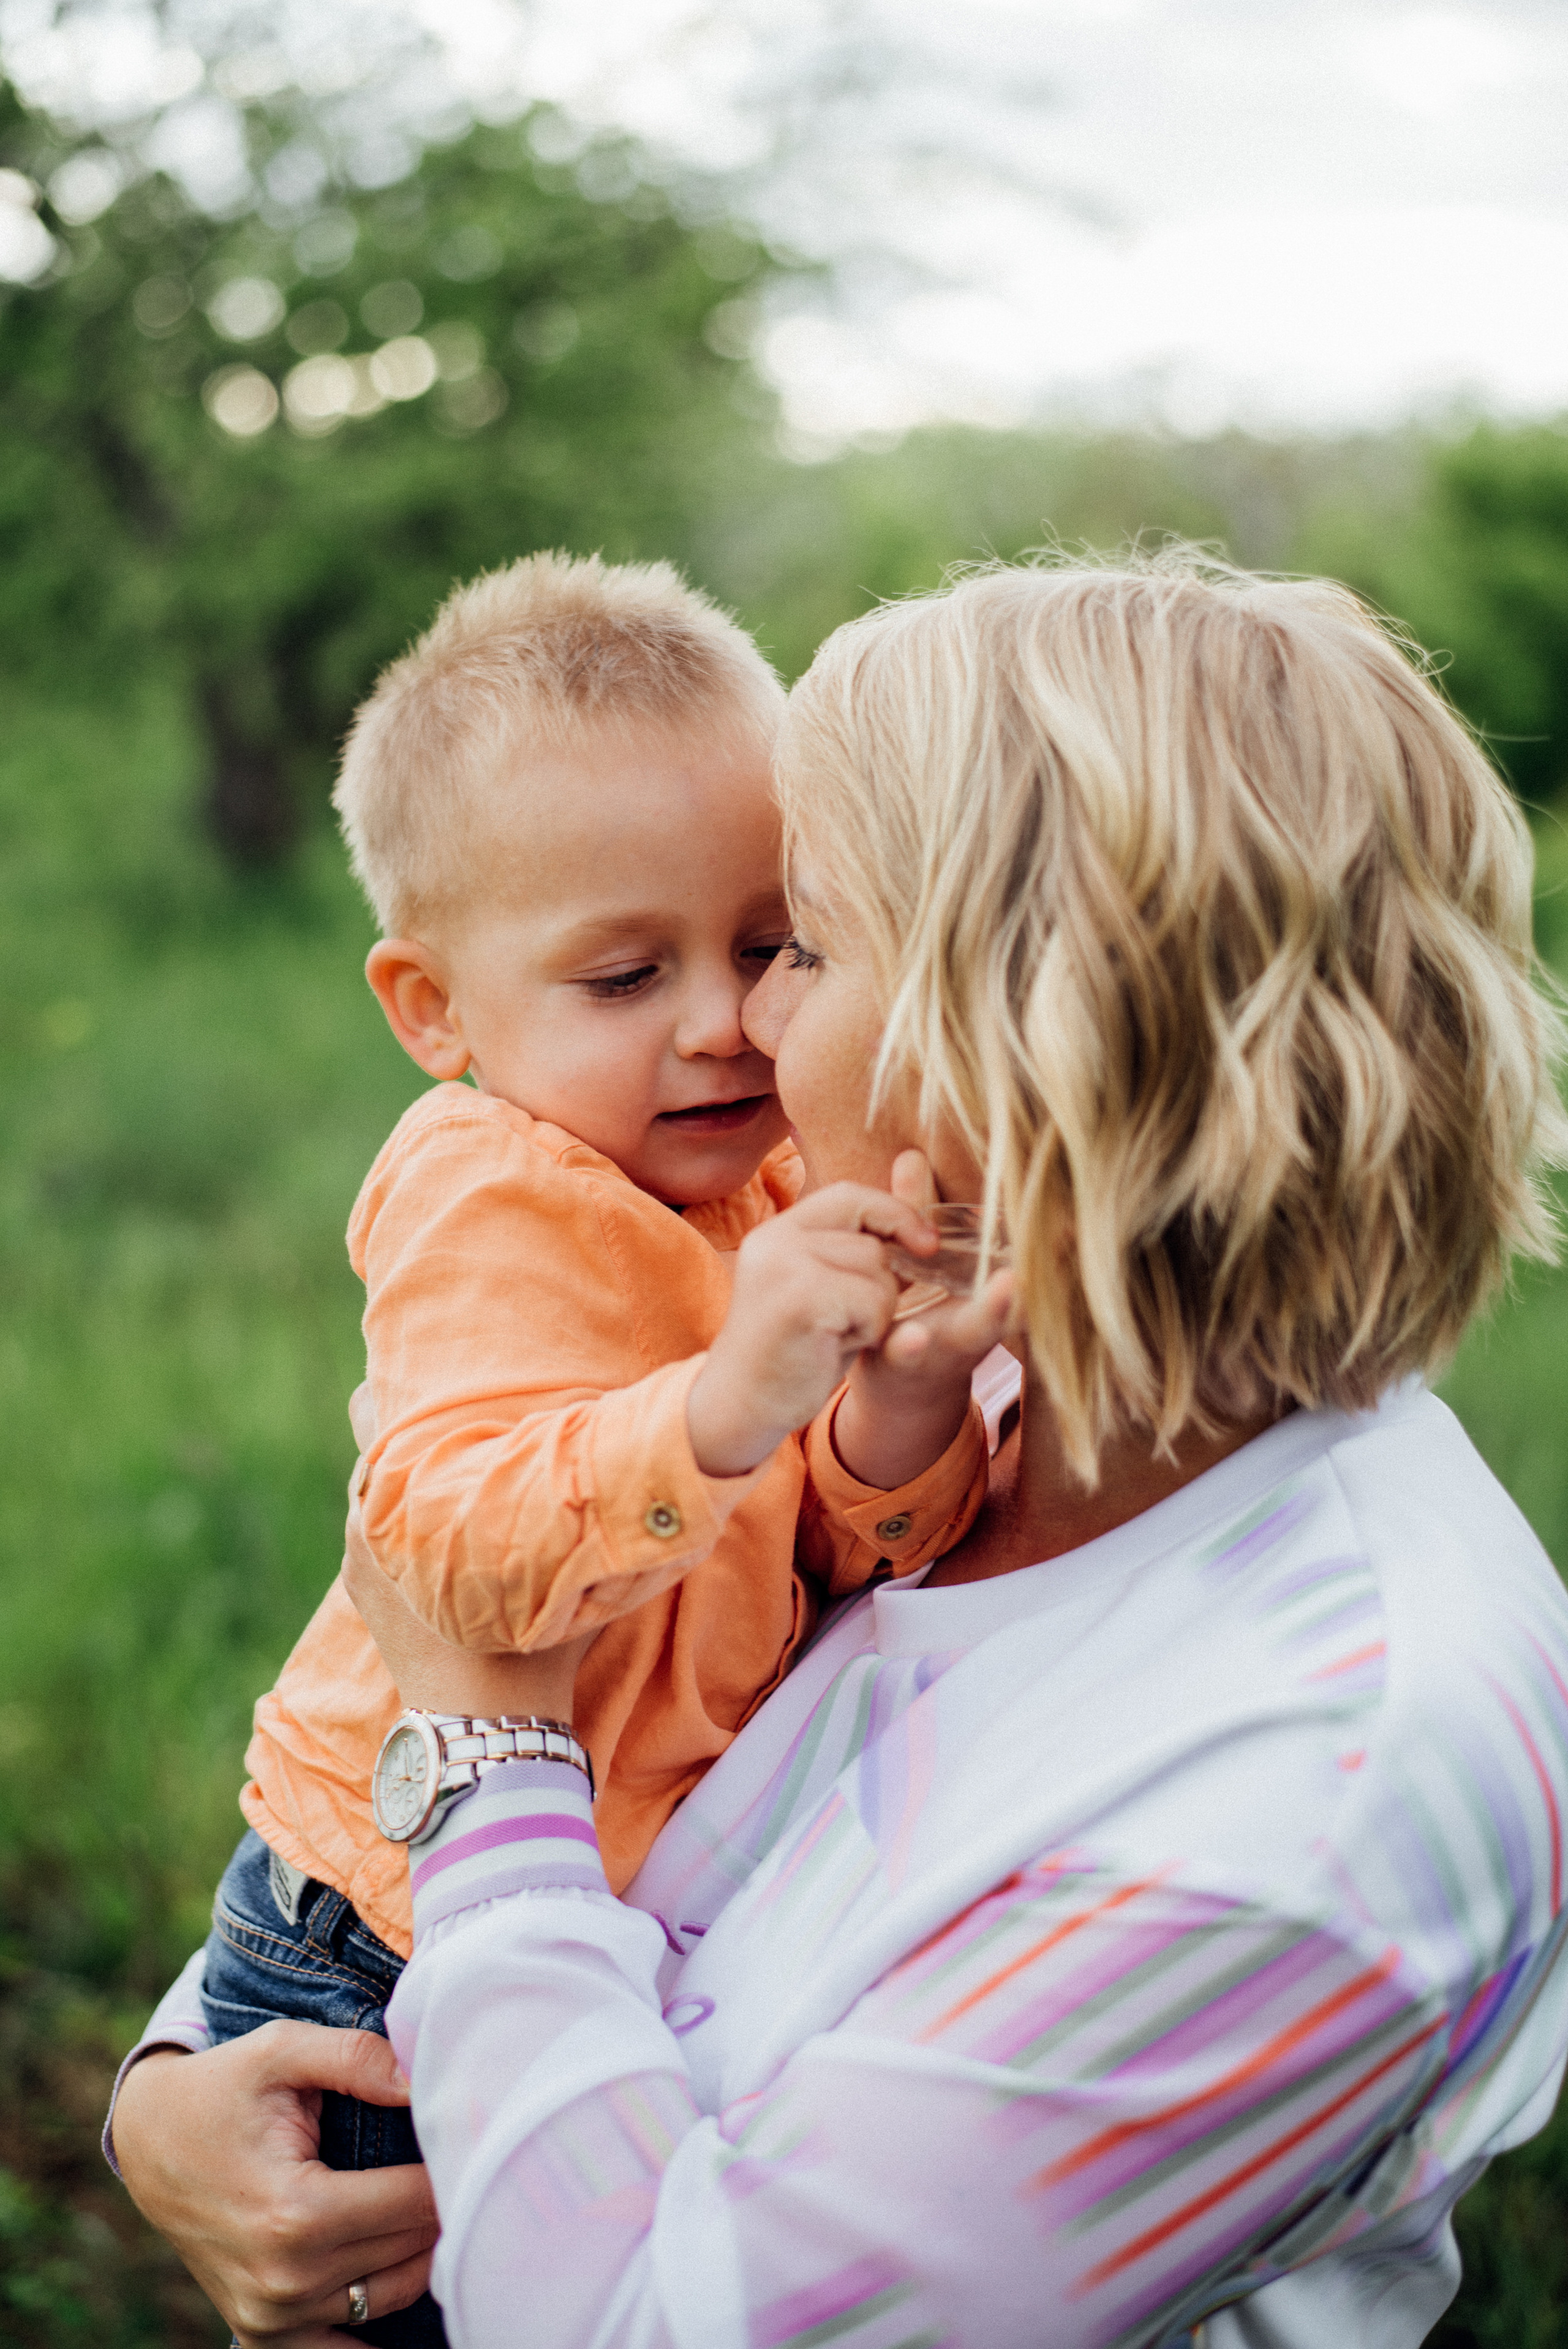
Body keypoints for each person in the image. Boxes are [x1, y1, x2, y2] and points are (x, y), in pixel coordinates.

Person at [111, 553, 1568, 2348]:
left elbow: (637, 2319)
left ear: (1037, 1028)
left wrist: (480, 1728)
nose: (748, 1022)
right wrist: (181, 2071)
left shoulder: (1321, 1785)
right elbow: (528, 1679)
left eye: (799, 936)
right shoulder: (989, 1352)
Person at [190, 551, 1003, 2344]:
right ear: (436, 1012)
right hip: (385, 1938)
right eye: (627, 971)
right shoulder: (490, 1194)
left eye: (773, 940)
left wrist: (900, 1402)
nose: (725, 1020)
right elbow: (448, 1550)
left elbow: (844, 1542)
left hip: (601, 1907)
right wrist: (730, 1397)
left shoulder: (783, 1176)